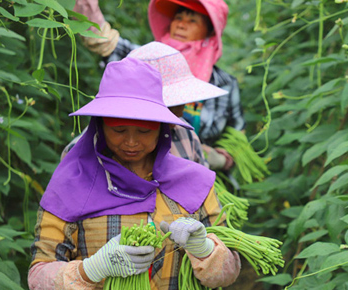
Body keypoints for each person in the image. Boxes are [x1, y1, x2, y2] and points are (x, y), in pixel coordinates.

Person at [28, 57, 241, 290]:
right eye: (118, 130)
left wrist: (204, 249)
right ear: (99, 125)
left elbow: (229, 272)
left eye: (143, 131)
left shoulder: (193, 184)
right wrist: (93, 268)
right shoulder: (70, 185)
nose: (130, 142)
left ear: (163, 129)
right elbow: (38, 281)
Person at [73, 0, 245, 172]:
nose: (181, 25)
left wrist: (220, 158)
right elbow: (105, 41)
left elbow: (238, 133)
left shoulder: (224, 84)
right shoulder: (143, 62)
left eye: (192, 21)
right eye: (178, 18)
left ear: (210, 31)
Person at [61, 41, 228, 169]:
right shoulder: (81, 153)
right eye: (172, 106)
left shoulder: (185, 136)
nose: (180, 112)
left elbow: (203, 192)